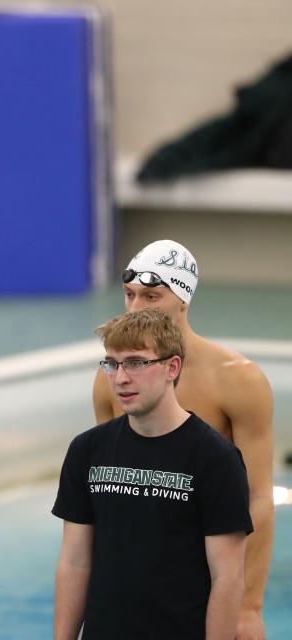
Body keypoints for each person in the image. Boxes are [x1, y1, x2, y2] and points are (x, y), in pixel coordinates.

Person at [92, 239, 274, 639]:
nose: (136, 307)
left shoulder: (238, 380)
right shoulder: (112, 382)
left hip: (208, 579)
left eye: (152, 296)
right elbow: (104, 497)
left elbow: (258, 498)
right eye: (129, 294)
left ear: (183, 301)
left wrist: (249, 606)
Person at [55, 308, 252, 639]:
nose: (120, 378)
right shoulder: (87, 451)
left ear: (171, 367)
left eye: (135, 363)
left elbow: (228, 578)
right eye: (111, 364)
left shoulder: (216, 460)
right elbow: (75, 561)